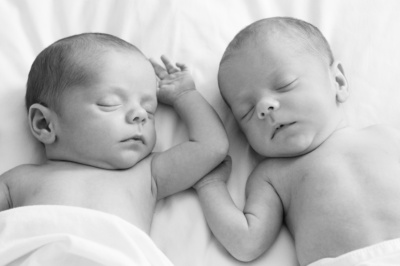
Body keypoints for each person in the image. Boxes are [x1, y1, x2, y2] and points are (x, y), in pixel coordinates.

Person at [194, 17, 400, 266]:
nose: (264, 107)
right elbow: (246, 242)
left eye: (284, 85)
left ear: (338, 82)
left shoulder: (386, 135)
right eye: (247, 111)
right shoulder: (272, 176)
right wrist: (209, 183)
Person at [0, 33, 228, 240]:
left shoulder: (148, 174)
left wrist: (185, 95)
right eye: (110, 104)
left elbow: (212, 146)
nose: (140, 115)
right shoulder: (18, 181)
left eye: (150, 110)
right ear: (44, 123)